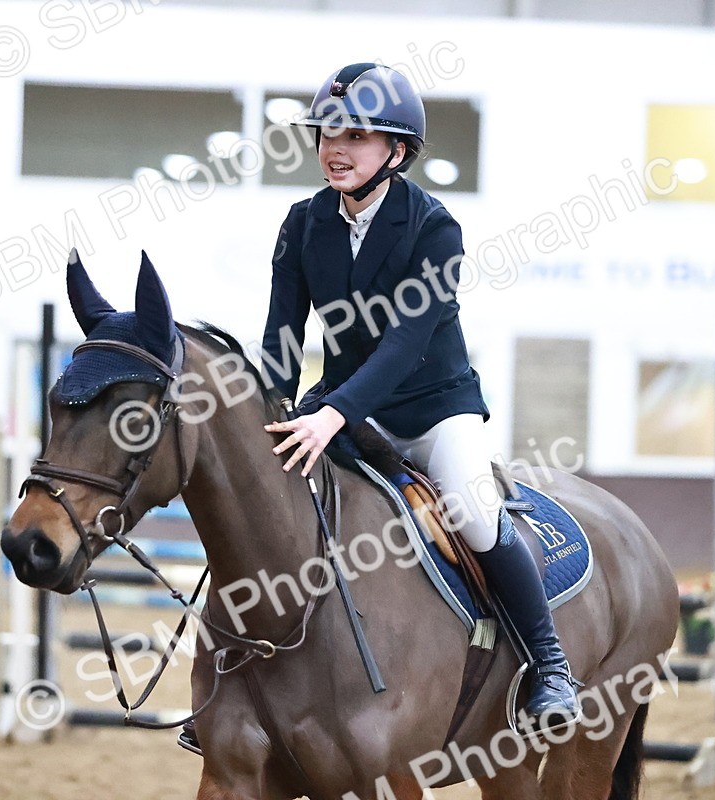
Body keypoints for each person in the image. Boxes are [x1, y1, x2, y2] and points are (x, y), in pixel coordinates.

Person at [258, 64, 580, 725]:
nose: (334, 149)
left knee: (473, 511)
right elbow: (283, 340)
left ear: (396, 151)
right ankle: (246, 679)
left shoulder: (434, 227)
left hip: (434, 408)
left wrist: (330, 415)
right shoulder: (300, 223)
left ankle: (550, 668)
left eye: (356, 135)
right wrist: (271, 412)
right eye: (326, 134)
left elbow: (404, 347)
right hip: (343, 403)